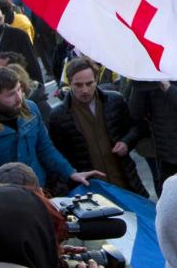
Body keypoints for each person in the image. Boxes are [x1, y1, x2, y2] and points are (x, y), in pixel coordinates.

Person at [0, 66, 102, 188]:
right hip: (8, 199)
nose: (18, 98)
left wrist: (70, 172)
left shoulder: (31, 109)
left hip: (39, 187)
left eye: (18, 90)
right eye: (10, 95)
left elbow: (45, 148)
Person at [49, 58, 148, 196]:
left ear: (96, 80)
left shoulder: (114, 101)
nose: (84, 90)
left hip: (124, 179)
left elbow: (137, 127)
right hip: (91, 187)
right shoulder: (59, 116)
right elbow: (57, 154)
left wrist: (126, 142)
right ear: (70, 83)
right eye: (78, 85)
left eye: (89, 83)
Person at [0, 6, 44, 82]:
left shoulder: (19, 35)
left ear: (3, 18)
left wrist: (39, 84)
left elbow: (32, 61)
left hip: (21, 81)